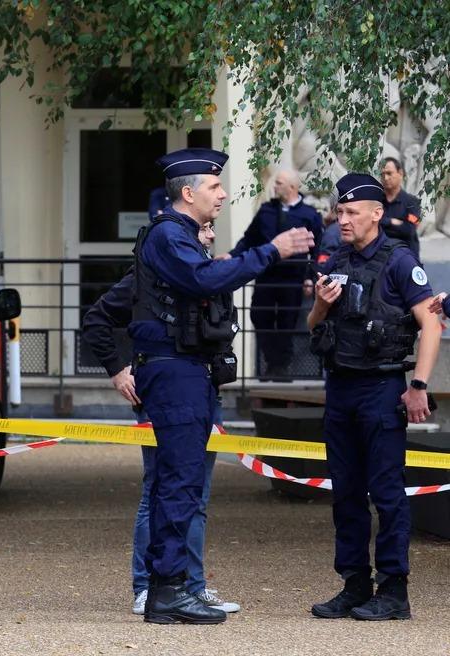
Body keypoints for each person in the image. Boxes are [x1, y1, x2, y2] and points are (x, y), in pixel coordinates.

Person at [130, 147, 314, 625]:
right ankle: (168, 590)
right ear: (187, 193)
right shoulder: (171, 236)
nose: (224, 194)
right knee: (178, 483)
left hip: (187, 370)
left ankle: (170, 589)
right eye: (214, 187)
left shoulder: (181, 234)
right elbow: (203, 278)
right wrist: (271, 251)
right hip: (174, 371)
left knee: (184, 483)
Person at [81, 221, 240, 617]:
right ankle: (148, 585)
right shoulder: (149, 276)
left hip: (204, 391)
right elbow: (97, 320)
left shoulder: (204, 276)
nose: (207, 235)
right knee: (160, 488)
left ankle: (190, 584)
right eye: (201, 228)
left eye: (210, 229)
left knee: (194, 494)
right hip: (166, 393)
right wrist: (119, 371)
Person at [308, 173, 441, 621]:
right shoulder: (336, 259)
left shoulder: (399, 262)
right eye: (339, 212)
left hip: (382, 390)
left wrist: (418, 385)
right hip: (341, 389)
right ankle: (354, 585)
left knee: (387, 493)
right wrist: (322, 306)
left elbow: (432, 324)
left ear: (376, 214)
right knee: (345, 492)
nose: (342, 220)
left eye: (350, 213)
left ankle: (394, 591)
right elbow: (313, 326)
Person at [221, 170, 322, 380]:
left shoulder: (309, 214)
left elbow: (317, 249)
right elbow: (249, 239)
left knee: (287, 321)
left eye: (279, 183)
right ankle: (271, 362)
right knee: (259, 316)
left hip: (293, 278)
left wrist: (310, 278)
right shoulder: (266, 210)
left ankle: (281, 367)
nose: (274, 186)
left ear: (292, 188)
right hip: (266, 274)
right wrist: (231, 256)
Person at [379, 157, 422, 256]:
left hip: (406, 255)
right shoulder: (376, 201)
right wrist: (393, 221)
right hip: (380, 256)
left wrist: (383, 221)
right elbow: (370, 225)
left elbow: (410, 230)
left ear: (400, 173)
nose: (385, 178)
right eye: (382, 174)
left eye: (389, 173)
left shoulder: (412, 203)